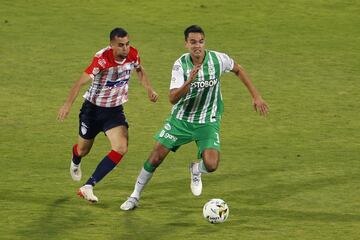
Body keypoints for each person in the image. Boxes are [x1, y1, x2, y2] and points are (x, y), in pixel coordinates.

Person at [120, 25, 268, 210]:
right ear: (186, 44)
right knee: (156, 157)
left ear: (204, 42)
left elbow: (238, 69)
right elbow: (173, 98)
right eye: (192, 42)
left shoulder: (218, 59)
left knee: (212, 165)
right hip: (181, 120)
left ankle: (196, 169)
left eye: (200, 41)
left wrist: (256, 96)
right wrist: (188, 82)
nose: (197, 46)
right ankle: (134, 196)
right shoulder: (180, 65)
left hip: (207, 120)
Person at [57, 27, 158, 203]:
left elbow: (139, 70)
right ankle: (75, 157)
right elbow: (79, 82)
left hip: (114, 111)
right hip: (92, 111)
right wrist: (67, 104)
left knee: (121, 147)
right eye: (120, 45)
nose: (125, 49)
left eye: (127, 44)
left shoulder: (133, 54)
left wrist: (149, 88)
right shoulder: (102, 60)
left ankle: (88, 186)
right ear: (111, 45)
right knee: (83, 149)